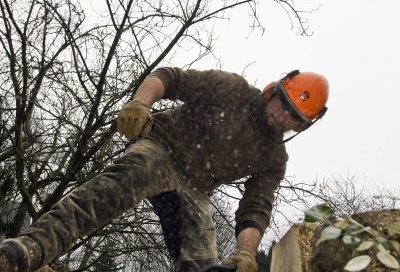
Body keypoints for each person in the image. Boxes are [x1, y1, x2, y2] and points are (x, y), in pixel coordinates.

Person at [0, 67, 329, 272]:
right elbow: (170, 78)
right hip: (162, 147)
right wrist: (141, 103)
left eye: (294, 118)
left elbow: (256, 208)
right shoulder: (231, 89)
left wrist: (246, 254)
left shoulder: (273, 157)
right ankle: (30, 249)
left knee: (201, 260)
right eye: (284, 105)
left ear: (301, 126)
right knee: (125, 179)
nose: (283, 118)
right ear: (275, 90)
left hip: (195, 189)